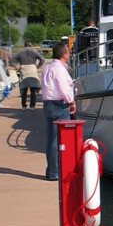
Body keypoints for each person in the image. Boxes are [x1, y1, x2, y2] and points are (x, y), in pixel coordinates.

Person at [40, 42, 75, 180]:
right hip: (58, 105)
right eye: (68, 52)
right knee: (60, 139)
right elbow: (64, 88)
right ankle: (56, 172)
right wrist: (71, 101)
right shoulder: (60, 70)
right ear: (64, 54)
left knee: (50, 139)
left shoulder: (46, 68)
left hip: (47, 103)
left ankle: (51, 170)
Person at [11, 42, 45, 110]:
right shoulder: (34, 52)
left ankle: (24, 106)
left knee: (24, 89)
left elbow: (12, 60)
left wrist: (16, 66)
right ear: (30, 45)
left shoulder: (20, 52)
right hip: (32, 69)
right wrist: (38, 66)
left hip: (24, 69)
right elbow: (42, 59)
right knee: (33, 90)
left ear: (24, 45)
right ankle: (32, 106)